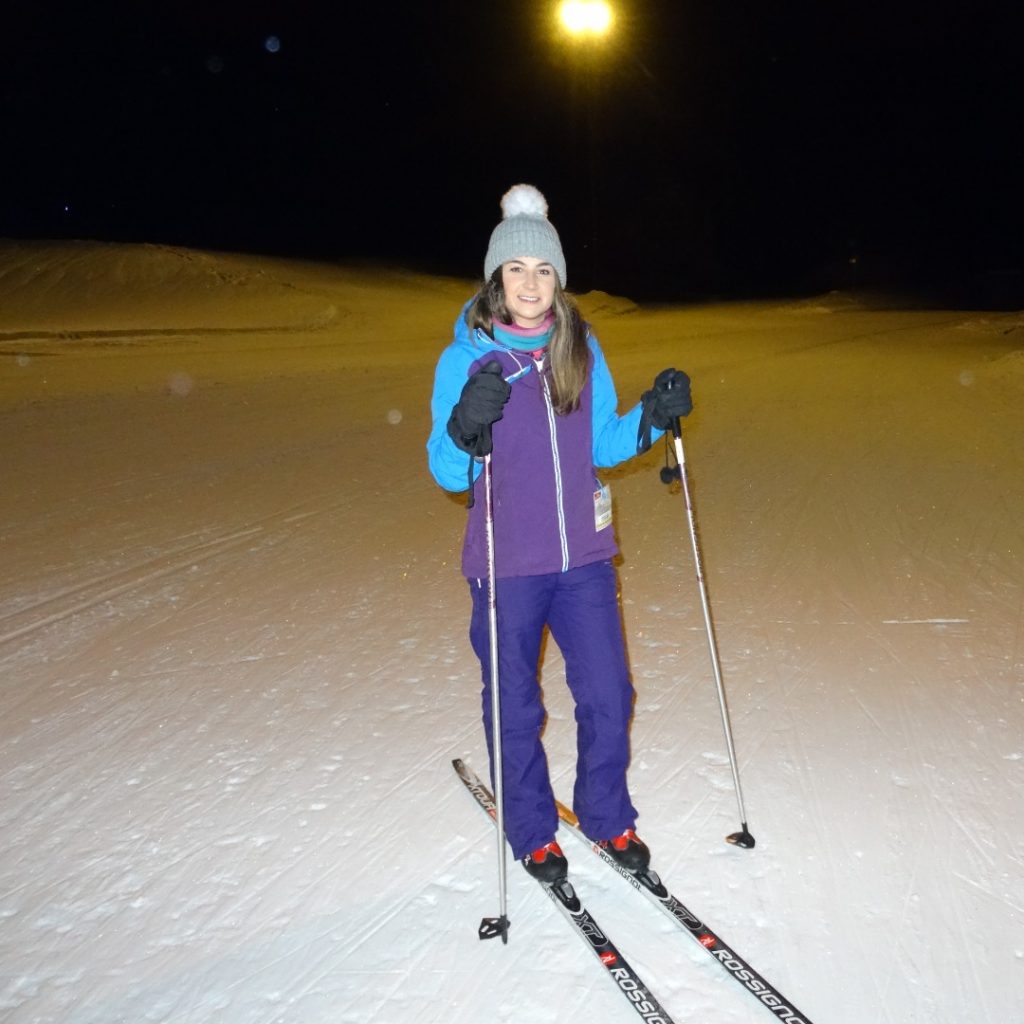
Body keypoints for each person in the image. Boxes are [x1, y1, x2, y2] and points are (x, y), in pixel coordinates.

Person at [427, 184, 692, 883]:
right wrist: (463, 424)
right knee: (515, 704)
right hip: (506, 564)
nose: (531, 284)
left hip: (584, 560)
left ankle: (606, 816)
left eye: (544, 271)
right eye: (517, 269)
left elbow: (602, 443)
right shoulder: (466, 361)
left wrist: (653, 417)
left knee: (609, 693)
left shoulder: (580, 348)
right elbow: (447, 470)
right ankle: (531, 830)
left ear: (558, 279)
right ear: (496, 277)